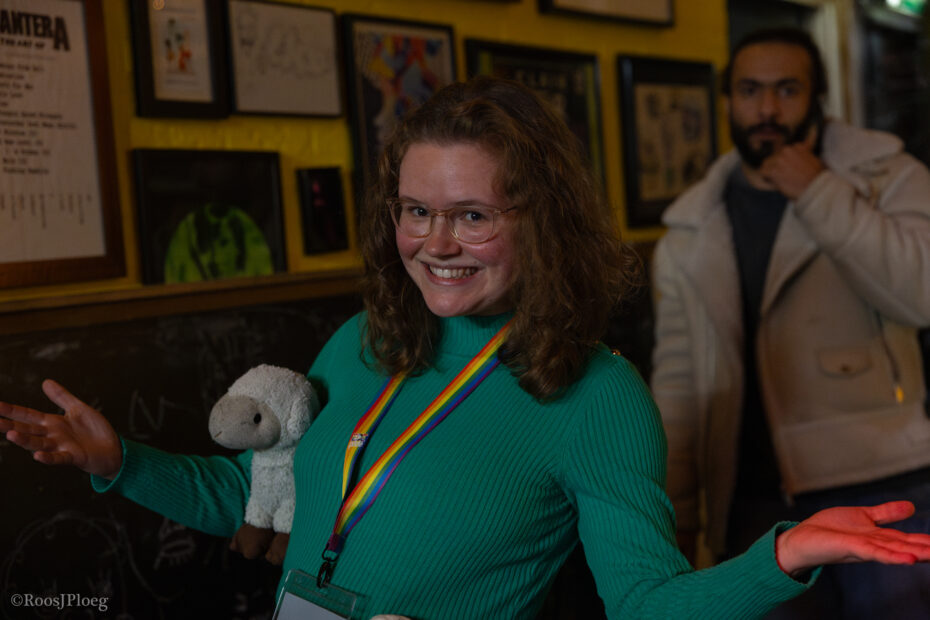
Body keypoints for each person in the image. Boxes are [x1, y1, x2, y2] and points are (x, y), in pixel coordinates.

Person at [3, 77, 930, 620]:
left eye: (473, 215)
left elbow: (645, 603)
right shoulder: (366, 339)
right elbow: (269, 501)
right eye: (416, 210)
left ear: (543, 224)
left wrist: (787, 555)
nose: (435, 243)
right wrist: (120, 461)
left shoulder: (596, 395)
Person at [650, 28, 930, 618]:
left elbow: (921, 295)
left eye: (787, 90)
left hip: (880, 477)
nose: (767, 109)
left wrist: (820, 193)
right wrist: (674, 520)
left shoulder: (888, 175)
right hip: (751, 500)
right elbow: (679, 386)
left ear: (818, 98)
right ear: (727, 100)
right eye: (750, 91)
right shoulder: (692, 225)